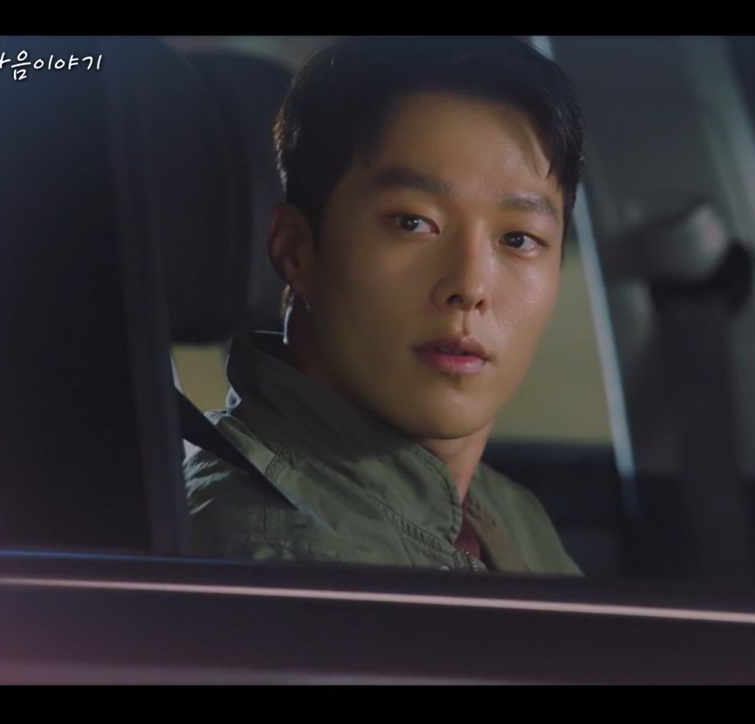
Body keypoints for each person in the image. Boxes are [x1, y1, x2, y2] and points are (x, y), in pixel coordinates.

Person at [184, 36, 584, 575]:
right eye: (412, 222)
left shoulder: (509, 515)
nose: (470, 286)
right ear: (295, 249)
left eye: (518, 239)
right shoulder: (278, 561)